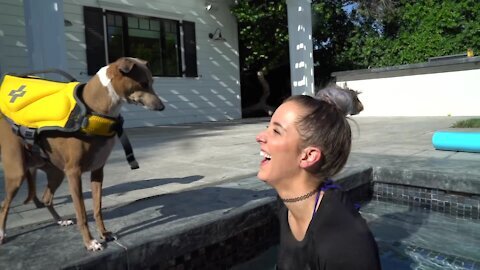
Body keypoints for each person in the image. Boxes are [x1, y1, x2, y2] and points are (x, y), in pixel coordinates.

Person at [255, 94, 381, 270]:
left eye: (276, 131)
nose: (259, 136)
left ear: (308, 156)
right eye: (268, 127)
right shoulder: (289, 204)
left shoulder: (344, 243)